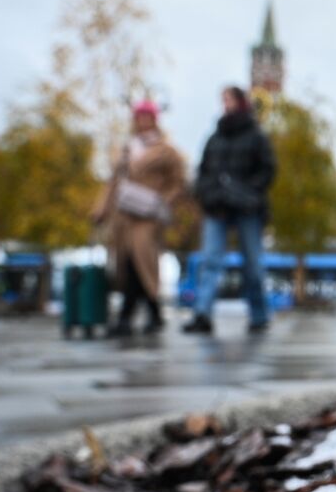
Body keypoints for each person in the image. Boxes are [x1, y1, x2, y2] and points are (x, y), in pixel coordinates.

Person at [183, 86, 276, 335]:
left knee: (253, 263)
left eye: (229, 99)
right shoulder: (216, 138)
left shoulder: (256, 136)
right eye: (223, 99)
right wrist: (209, 194)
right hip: (217, 207)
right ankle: (202, 313)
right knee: (210, 260)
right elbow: (203, 173)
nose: (225, 104)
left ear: (240, 102)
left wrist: (248, 192)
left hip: (248, 208)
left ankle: (258, 314)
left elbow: (267, 171)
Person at [93, 100, 186, 336]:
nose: (142, 122)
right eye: (139, 117)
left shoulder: (166, 151)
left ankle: (127, 315)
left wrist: (162, 202)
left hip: (148, 216)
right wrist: (100, 209)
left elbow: (178, 183)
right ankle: (152, 313)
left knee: (141, 260)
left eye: (147, 117)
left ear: (154, 120)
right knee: (126, 263)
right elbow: (113, 182)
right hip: (124, 216)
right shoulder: (127, 149)